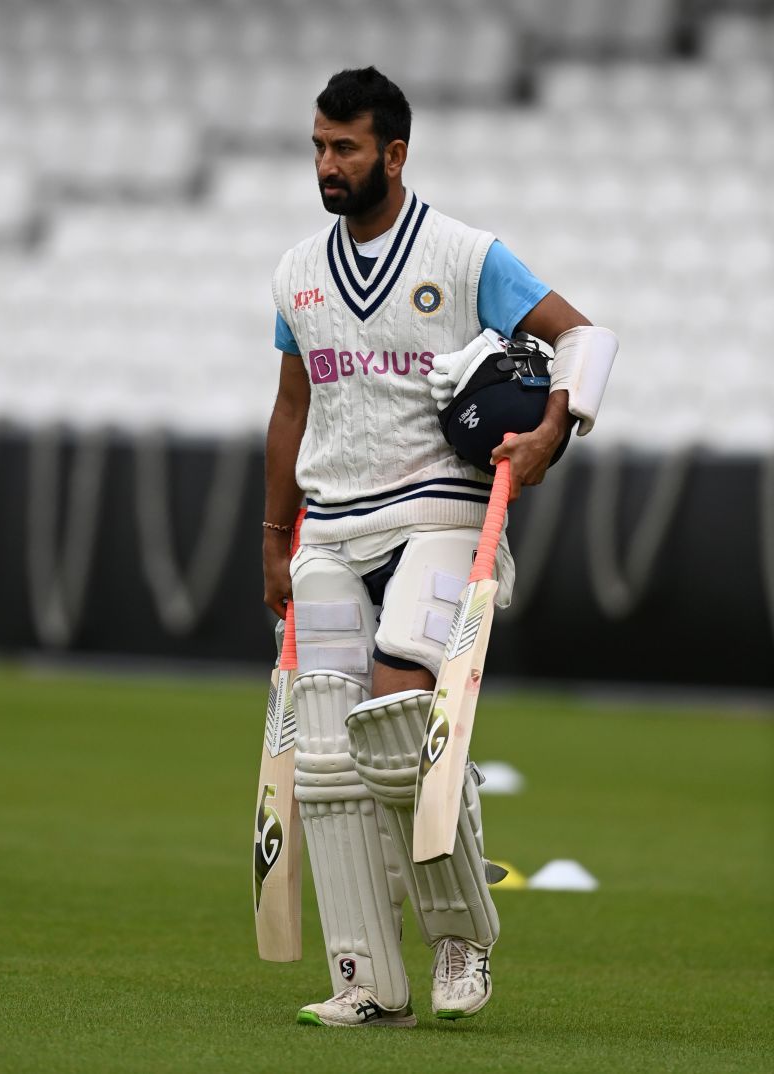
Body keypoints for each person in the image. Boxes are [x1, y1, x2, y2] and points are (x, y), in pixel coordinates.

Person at [263, 67, 617, 1028]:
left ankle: (461, 941)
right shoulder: (297, 269)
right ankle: (367, 979)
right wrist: (273, 533)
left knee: (396, 722)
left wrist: (552, 431)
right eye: (319, 147)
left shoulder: (465, 255)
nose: (328, 165)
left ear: (395, 152)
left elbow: (586, 338)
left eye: (346, 147)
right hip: (331, 526)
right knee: (333, 755)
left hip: (445, 515)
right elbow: (291, 406)